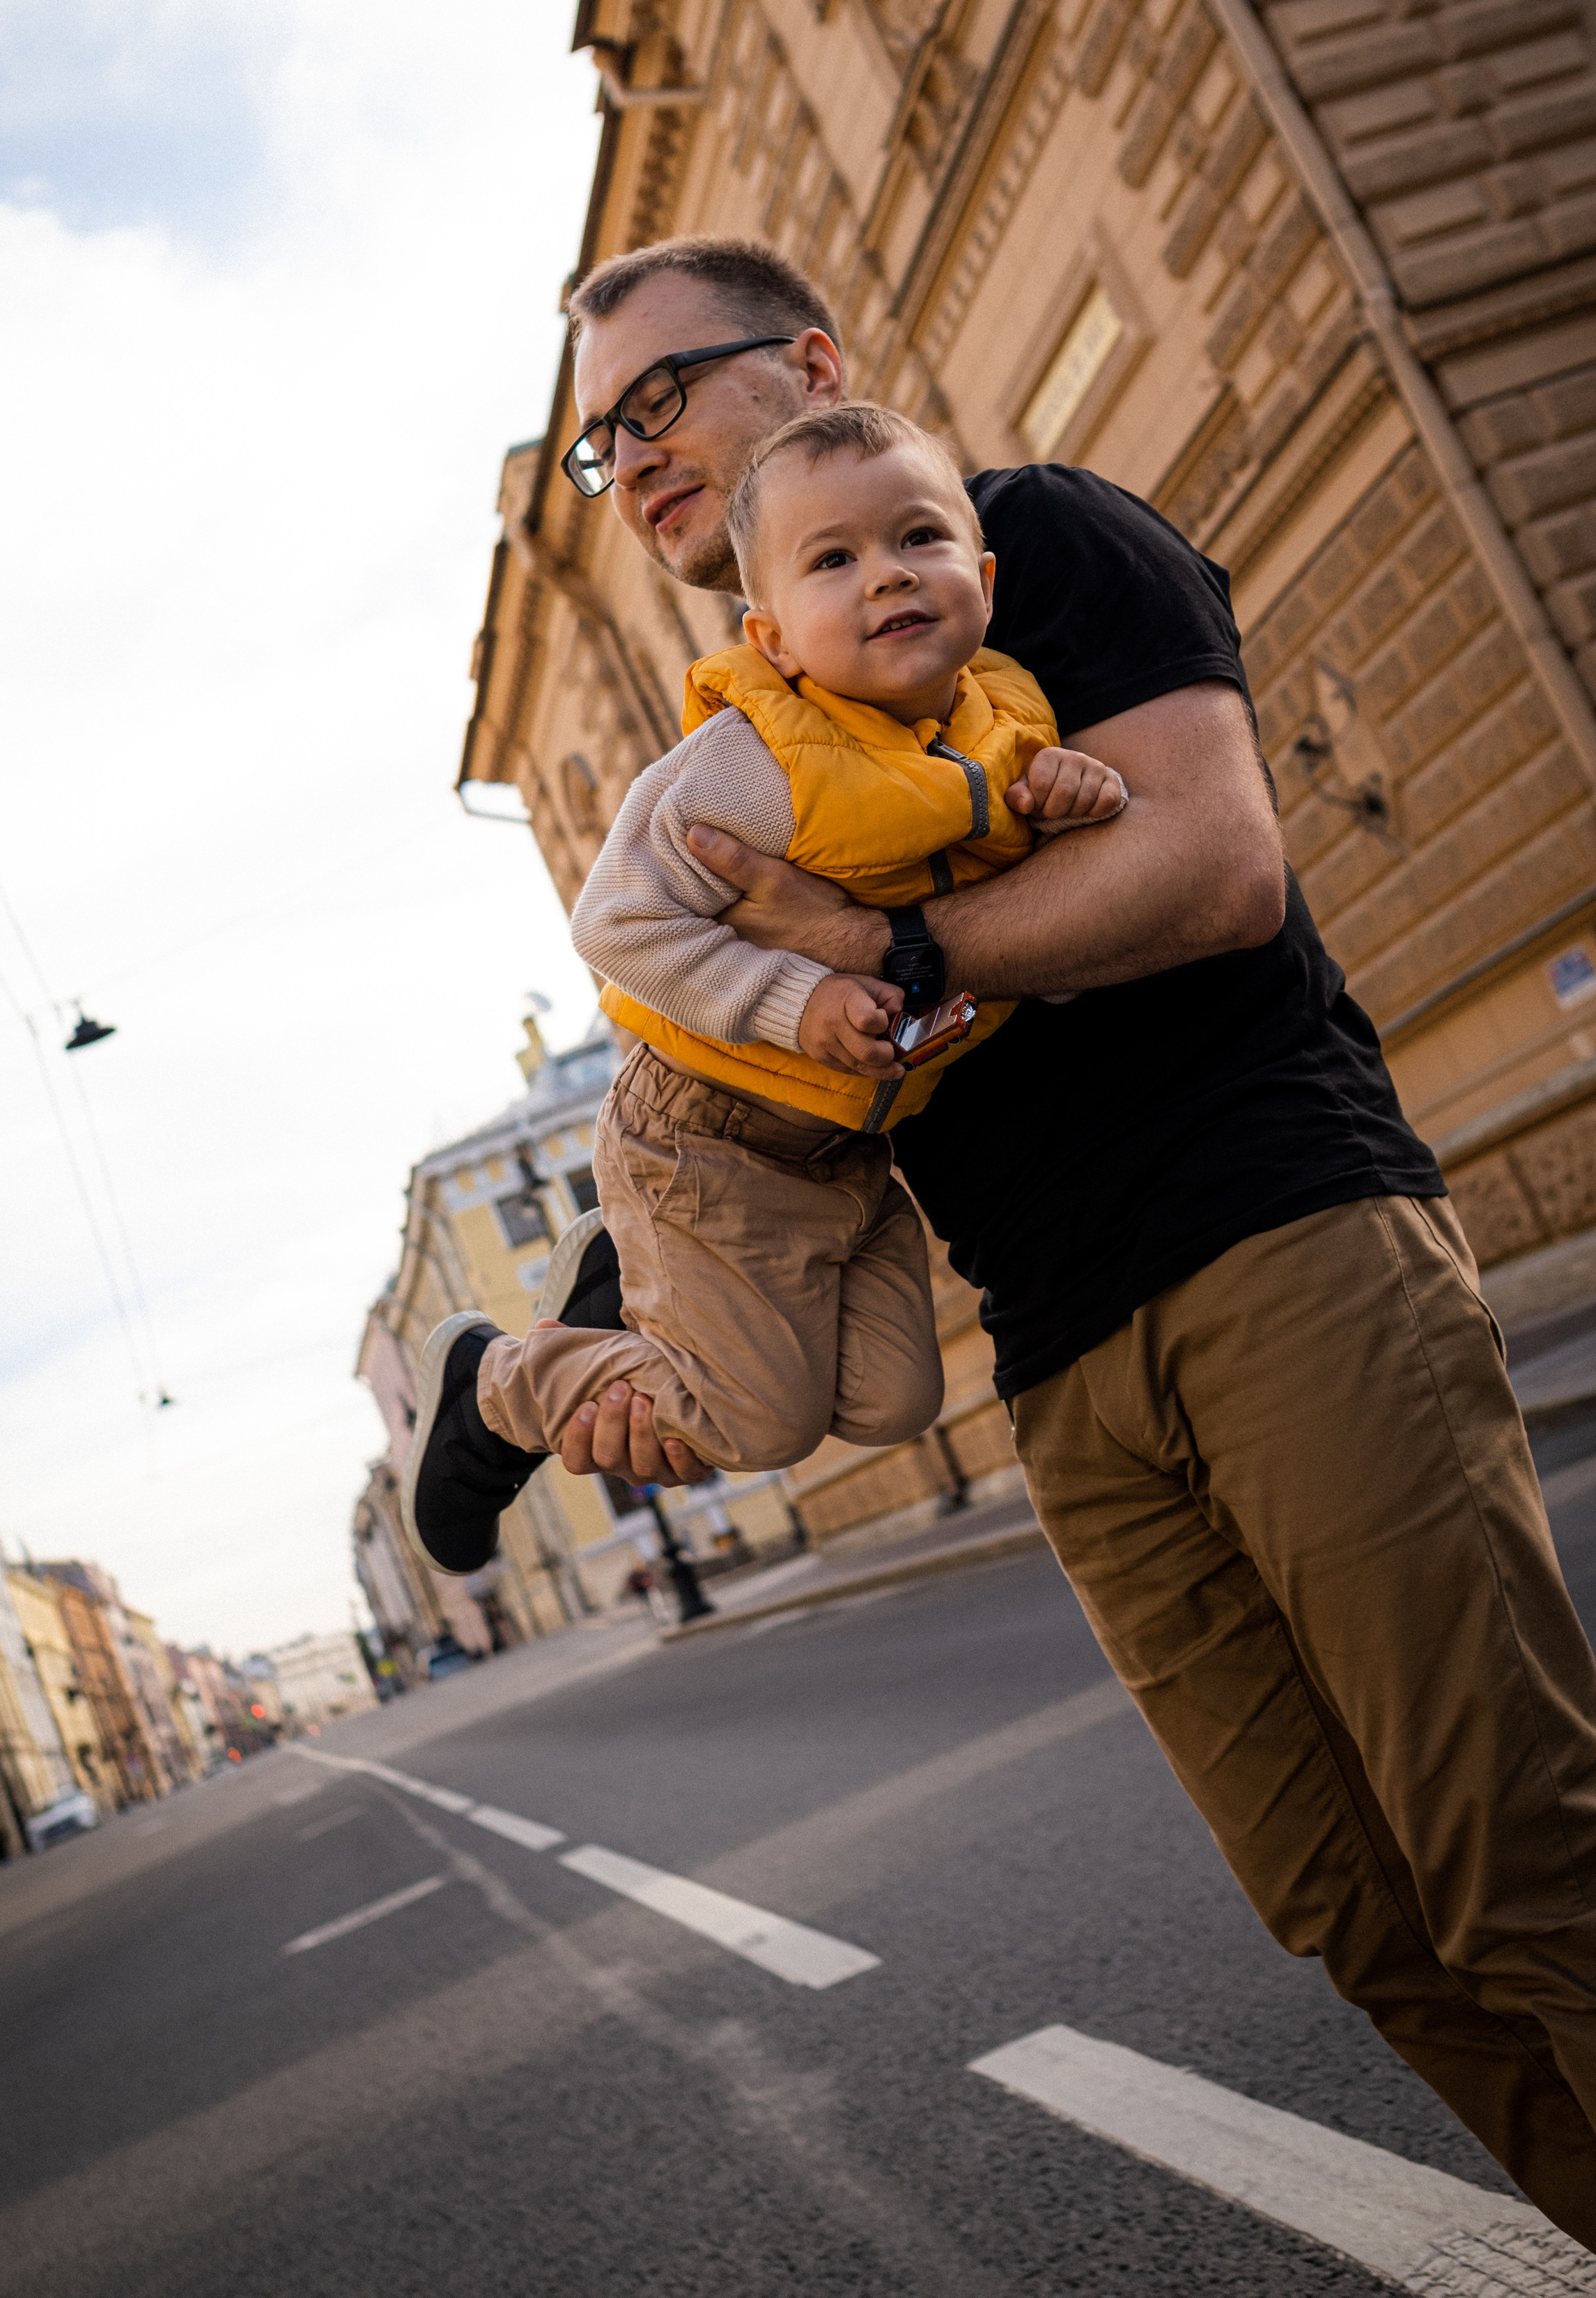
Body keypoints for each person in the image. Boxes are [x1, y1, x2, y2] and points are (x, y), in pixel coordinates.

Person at [496, 233, 1596, 2290]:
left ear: (816, 362)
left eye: (661, 397)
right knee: (1356, 1915)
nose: (637, 456)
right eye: (605, 443)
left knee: (1533, 1876)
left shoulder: (1026, 545)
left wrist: (877, 951)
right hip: (1058, 1361)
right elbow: (719, 1045)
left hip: (1278, 1240)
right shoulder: (744, 745)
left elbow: (1212, 865)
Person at [404, 401, 1126, 1557]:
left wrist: (1071, 792)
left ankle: (628, 1290)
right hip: (702, 1133)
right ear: (775, 636)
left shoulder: (1005, 717)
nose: (888, 577)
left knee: (897, 1403)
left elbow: (1017, 853)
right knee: (758, 1423)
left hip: (843, 1152)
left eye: (920, 542)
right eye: (834, 562)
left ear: (983, 577)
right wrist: (797, 1000)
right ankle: (500, 1380)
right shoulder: (755, 759)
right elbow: (614, 922)